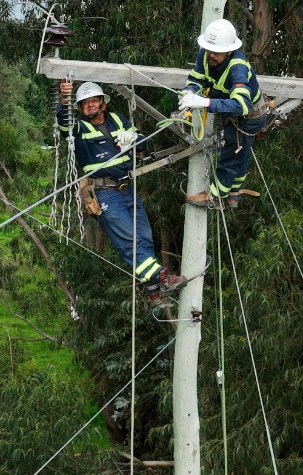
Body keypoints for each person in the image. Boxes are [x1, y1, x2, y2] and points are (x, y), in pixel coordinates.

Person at [57, 80, 185, 299]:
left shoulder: (117, 119)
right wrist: (63, 99)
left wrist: (134, 139)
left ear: (102, 104)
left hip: (127, 188)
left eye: (94, 101)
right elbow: (63, 122)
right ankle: (161, 278)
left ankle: (152, 289)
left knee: (144, 237)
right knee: (128, 240)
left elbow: (144, 142)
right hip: (104, 192)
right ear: (80, 107)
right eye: (85, 103)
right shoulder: (78, 128)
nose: (90, 105)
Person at [176, 19, 269, 209]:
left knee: (231, 155)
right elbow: (198, 76)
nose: (211, 55)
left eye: (216, 53)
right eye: (209, 50)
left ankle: (215, 195)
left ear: (229, 51)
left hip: (249, 117)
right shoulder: (206, 53)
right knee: (240, 154)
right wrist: (190, 91)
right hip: (232, 114)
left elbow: (242, 105)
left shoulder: (238, 67)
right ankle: (233, 193)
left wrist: (205, 103)